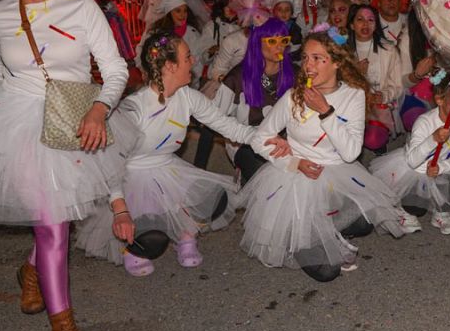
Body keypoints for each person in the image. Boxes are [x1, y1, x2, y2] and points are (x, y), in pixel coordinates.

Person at [0, 0, 128, 331]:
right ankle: (65, 330)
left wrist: (99, 110)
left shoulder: (82, 7)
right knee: (52, 225)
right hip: (18, 125)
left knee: (57, 214)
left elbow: (115, 69)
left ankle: (32, 270)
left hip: (74, 118)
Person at [76, 31, 287, 275]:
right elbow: (111, 161)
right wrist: (121, 210)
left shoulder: (188, 97)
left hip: (168, 169)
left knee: (217, 198)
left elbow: (228, 126)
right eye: (187, 57)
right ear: (170, 65)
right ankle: (132, 247)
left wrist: (266, 139)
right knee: (152, 242)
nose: (193, 61)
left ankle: (184, 235)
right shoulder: (134, 108)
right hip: (129, 176)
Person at [239, 31, 408, 281]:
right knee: (328, 272)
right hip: (297, 177)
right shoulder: (293, 96)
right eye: (306, 58)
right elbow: (259, 137)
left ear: (337, 63)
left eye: (318, 58)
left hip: (337, 173)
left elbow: (351, 153)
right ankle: (298, 237)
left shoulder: (353, 95)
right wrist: (293, 162)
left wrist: (326, 111)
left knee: (364, 221)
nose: (309, 65)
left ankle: (321, 232)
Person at [369, 71, 450, 234]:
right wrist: (433, 139)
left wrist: (441, 168)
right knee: (417, 208)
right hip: (415, 169)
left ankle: (440, 213)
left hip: (439, 166)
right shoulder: (424, 122)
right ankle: (404, 211)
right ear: (439, 100)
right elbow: (413, 161)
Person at [213, 17, 293, 185]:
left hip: (287, 140)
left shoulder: (295, 74)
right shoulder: (237, 77)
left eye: (284, 40)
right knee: (264, 173)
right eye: (272, 41)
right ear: (257, 43)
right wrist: (251, 136)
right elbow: (216, 118)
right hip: (245, 141)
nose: (280, 46)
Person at [346, 5, 404, 153]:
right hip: (349, 105)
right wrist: (356, 74)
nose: (365, 24)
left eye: (370, 20)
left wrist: (383, 96)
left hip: (378, 107)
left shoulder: (389, 50)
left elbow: (397, 85)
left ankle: (379, 142)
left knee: (373, 139)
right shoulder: (343, 52)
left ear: (376, 24)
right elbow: (336, 85)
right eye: (360, 19)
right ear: (352, 25)